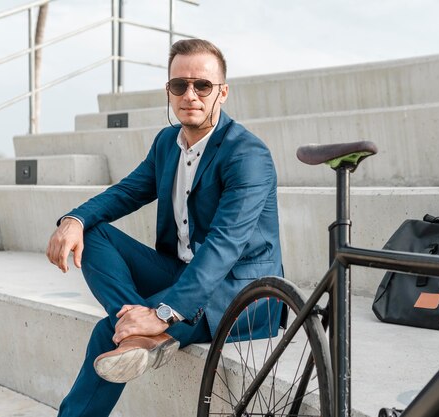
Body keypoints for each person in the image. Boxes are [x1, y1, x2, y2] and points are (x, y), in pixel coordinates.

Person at [46, 38, 283, 417]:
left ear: (222, 93)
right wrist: (73, 220)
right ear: (169, 91)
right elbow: (126, 192)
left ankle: (136, 328)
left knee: (106, 333)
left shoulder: (247, 154)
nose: (190, 95)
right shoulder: (166, 143)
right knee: (93, 232)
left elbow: (224, 246)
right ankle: (134, 328)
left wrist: (162, 313)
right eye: (179, 85)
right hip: (183, 273)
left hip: (238, 295)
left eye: (202, 85)